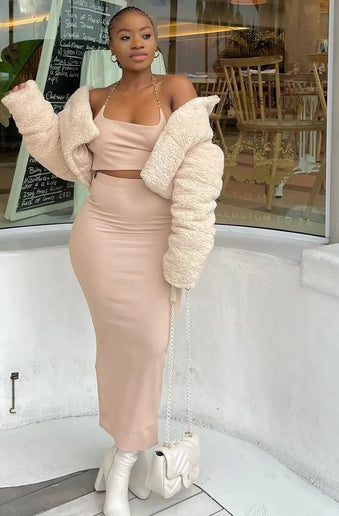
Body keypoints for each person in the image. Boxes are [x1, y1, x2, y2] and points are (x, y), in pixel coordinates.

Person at [2, 6, 223, 516]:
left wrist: (189, 246)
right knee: (118, 349)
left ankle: (122, 458)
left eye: (145, 34)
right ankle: (128, 457)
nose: (137, 43)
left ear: (156, 42)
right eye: (125, 36)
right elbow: (59, 155)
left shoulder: (176, 89)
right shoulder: (92, 100)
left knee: (150, 344)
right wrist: (29, 106)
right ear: (112, 47)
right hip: (99, 235)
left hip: (156, 234)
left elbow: (199, 166)